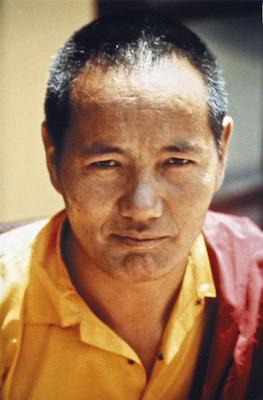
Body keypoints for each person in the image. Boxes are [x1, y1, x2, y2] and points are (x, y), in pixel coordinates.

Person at [0, 11, 262, 400]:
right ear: (53, 157)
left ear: (221, 152)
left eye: (176, 162)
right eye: (106, 164)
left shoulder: (252, 278)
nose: (142, 208)